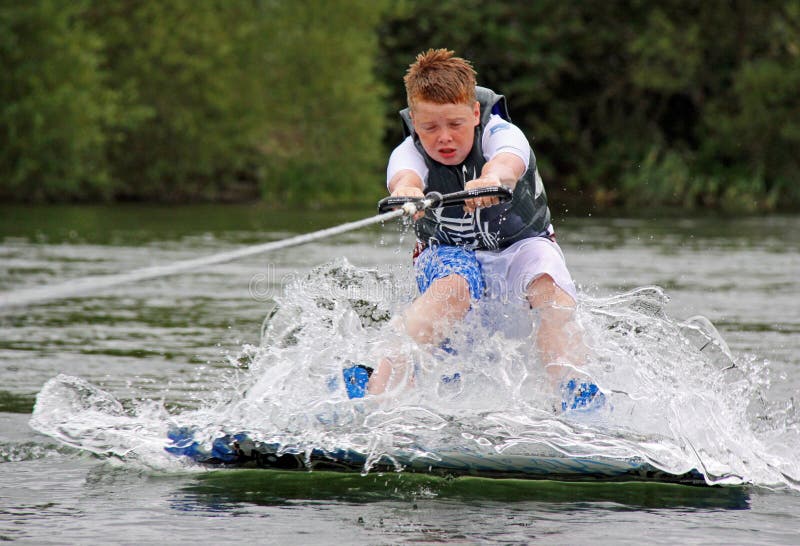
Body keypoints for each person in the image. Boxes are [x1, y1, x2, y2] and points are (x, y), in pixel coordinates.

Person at [348, 49, 600, 411]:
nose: (444, 138)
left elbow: (508, 160)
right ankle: (374, 386)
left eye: (455, 124)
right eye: (430, 128)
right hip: (449, 255)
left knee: (549, 282)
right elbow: (403, 175)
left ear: (475, 113)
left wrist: (492, 179)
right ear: (415, 122)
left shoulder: (503, 133)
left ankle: (572, 394)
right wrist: (406, 191)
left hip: (520, 248)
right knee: (453, 288)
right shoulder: (409, 151)